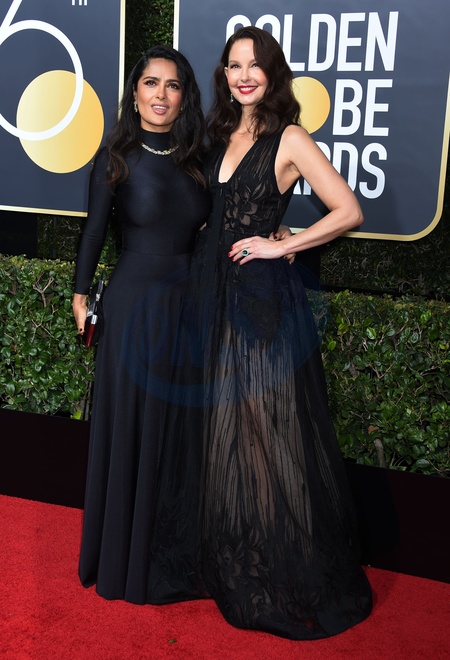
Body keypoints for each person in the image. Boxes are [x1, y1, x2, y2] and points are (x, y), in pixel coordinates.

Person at [188, 26, 373, 639]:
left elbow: (348, 210)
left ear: (272, 73)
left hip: (258, 301)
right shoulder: (218, 133)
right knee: (224, 432)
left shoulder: (289, 137)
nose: (243, 76)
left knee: (266, 433)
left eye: (254, 65)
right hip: (210, 295)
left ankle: (285, 565)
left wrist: (279, 243)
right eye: (233, 65)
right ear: (224, 74)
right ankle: (241, 555)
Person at [72, 45, 212, 604]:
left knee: (177, 432)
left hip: (189, 308)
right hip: (132, 307)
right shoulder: (115, 156)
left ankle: (167, 555)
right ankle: (121, 560)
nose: (160, 94)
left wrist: (278, 235)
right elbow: (93, 231)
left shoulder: (201, 158)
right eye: (151, 83)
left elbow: (227, 223)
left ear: (184, 97)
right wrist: (80, 295)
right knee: (131, 428)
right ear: (134, 93)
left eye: (172, 85)